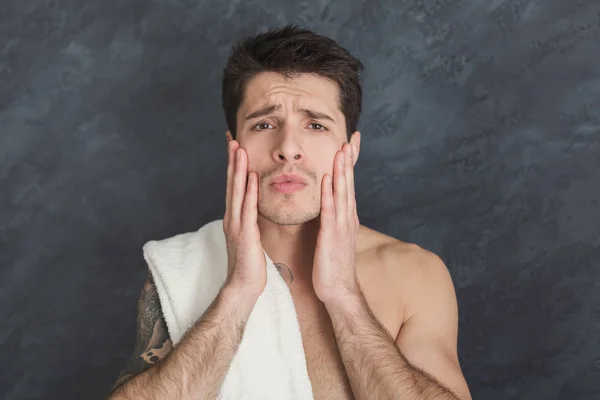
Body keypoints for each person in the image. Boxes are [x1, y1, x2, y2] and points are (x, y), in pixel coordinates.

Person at [106, 24, 472, 400]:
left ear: (351, 149)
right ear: (233, 146)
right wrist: (237, 294)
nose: (288, 148)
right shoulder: (181, 265)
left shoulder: (414, 275)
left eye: (315, 125)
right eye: (264, 124)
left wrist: (345, 296)